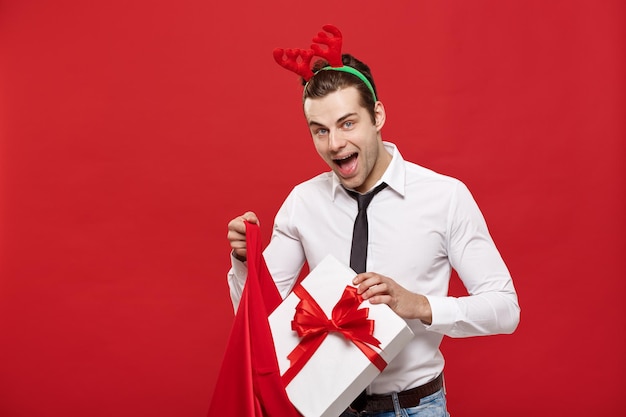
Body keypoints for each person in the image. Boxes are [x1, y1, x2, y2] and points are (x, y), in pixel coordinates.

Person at [226, 26, 520, 417]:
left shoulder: (445, 197)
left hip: (414, 408)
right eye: (320, 131)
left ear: (377, 116)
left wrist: (417, 304)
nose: (334, 144)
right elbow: (258, 325)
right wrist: (245, 263)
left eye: (348, 124)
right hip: (326, 409)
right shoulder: (303, 202)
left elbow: (504, 309)